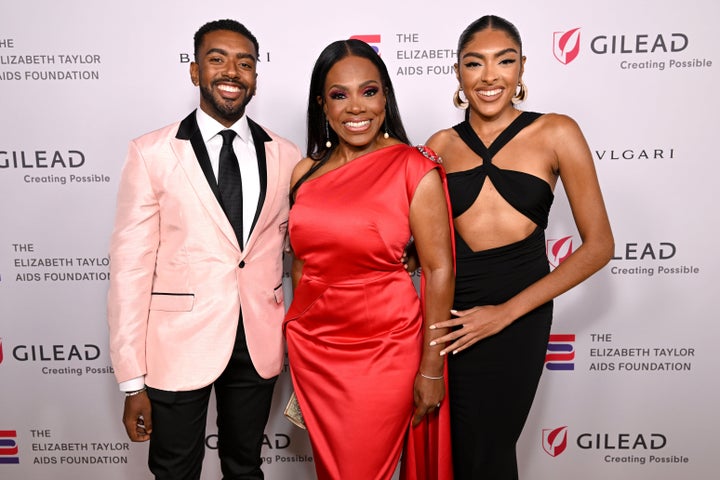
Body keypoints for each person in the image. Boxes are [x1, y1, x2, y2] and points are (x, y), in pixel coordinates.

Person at [107, 19, 301, 479]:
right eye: (217, 59)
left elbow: (304, 242)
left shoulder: (286, 154)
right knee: (174, 470)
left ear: (256, 75)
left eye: (245, 62)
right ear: (195, 71)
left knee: (245, 466)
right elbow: (130, 270)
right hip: (176, 344)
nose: (231, 71)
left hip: (257, 340)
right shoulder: (151, 152)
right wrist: (132, 381)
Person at [425, 15, 614, 480]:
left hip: (518, 321)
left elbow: (599, 247)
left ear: (522, 67)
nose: (490, 77)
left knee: (488, 451)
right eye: (475, 63)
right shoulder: (438, 146)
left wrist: (505, 313)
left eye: (504, 61)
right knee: (458, 455)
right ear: (457, 73)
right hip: (451, 322)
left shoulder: (556, 132)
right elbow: (425, 247)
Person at [283, 39, 455, 480]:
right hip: (314, 351)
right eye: (339, 95)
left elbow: (438, 269)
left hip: (384, 349)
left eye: (369, 91)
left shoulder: (414, 167)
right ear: (322, 103)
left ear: (385, 97)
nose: (355, 107)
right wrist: (298, 334)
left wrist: (432, 368)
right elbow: (302, 265)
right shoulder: (306, 172)